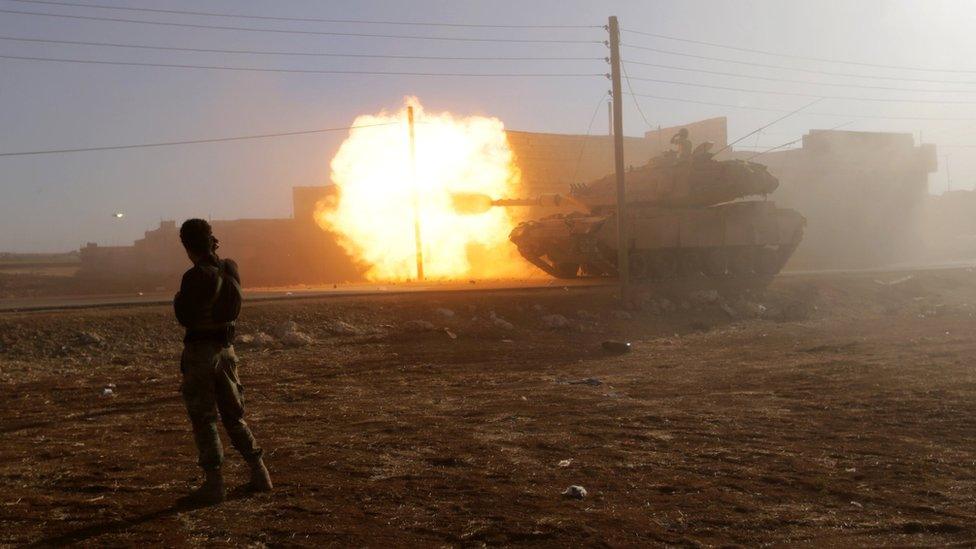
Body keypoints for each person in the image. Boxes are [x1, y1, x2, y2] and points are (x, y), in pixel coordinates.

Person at [173, 218, 271, 505]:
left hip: (201, 352)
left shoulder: (195, 276)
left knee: (204, 419)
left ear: (187, 245)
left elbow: (185, 316)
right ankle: (260, 473)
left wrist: (178, 298)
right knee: (233, 416)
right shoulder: (230, 269)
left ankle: (214, 484)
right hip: (227, 352)